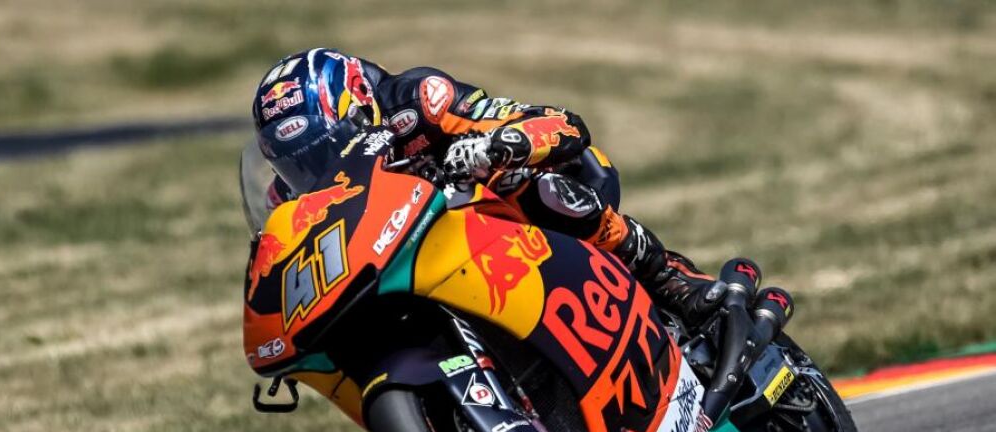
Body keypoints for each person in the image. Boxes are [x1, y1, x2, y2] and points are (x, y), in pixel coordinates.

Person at [250, 48, 725, 326]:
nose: (315, 170)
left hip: (513, 209)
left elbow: (562, 124)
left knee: (525, 185)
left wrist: (495, 147)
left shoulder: (420, 100)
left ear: (359, 105)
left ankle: (663, 274)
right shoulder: (288, 196)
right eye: (297, 164)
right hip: (427, 262)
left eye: (325, 148)